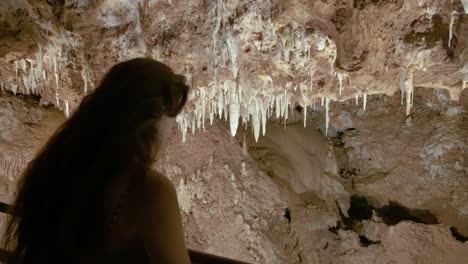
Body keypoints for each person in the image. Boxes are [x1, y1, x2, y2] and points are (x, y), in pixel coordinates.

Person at [2, 58, 191, 264]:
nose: (172, 130)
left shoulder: (52, 168)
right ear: (153, 118)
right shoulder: (152, 190)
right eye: (171, 118)